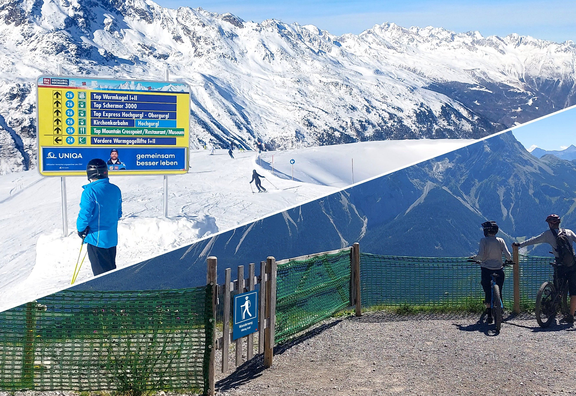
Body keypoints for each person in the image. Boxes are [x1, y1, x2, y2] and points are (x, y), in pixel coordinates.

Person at [513, 214, 576, 323]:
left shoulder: (548, 234)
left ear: (551, 224)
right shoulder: (569, 232)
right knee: (574, 292)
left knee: (556, 287)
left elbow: (534, 240)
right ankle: (571, 315)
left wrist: (519, 245)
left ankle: (553, 308)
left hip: (560, 265)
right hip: (572, 265)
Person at [77, 158, 123, 276]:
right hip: (112, 238)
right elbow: (118, 213)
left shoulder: (90, 191)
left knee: (101, 277)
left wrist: (81, 229)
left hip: (96, 239)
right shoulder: (115, 189)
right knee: (111, 271)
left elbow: (85, 214)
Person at [471, 220, 512, 324]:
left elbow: (480, 256)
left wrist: (474, 258)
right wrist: (509, 260)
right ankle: (500, 312)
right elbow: (508, 255)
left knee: (488, 291)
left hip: (486, 269)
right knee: (499, 290)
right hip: (499, 269)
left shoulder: (483, 241)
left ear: (486, 231)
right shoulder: (501, 240)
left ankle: (489, 314)